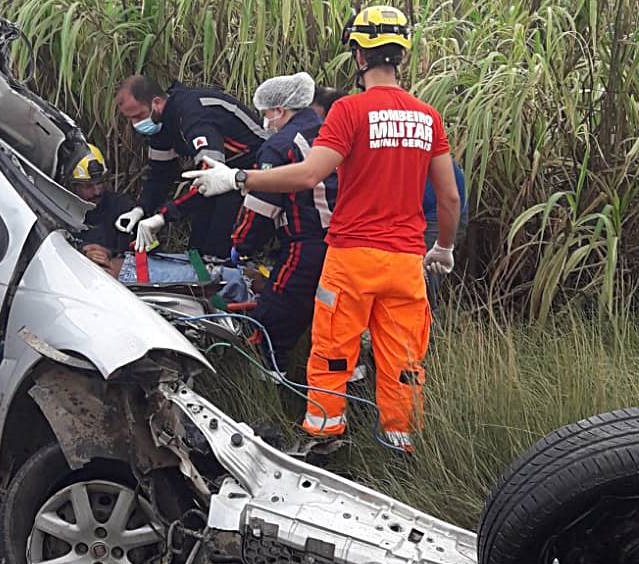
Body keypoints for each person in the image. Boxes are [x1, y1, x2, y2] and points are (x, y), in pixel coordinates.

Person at [183, 5, 461, 453]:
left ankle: (325, 435)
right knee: (403, 358)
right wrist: (443, 248)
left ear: (359, 55)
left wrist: (237, 178)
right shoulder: (427, 116)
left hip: (351, 257)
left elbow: (308, 175)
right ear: (400, 55)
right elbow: (449, 198)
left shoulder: (349, 111)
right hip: (407, 261)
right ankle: (399, 441)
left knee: (333, 349)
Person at [232, 72, 337, 375]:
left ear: (279, 110)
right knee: (335, 324)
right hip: (346, 247)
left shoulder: (280, 146)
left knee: (272, 320)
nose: (266, 121)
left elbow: (260, 209)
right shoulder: (328, 131)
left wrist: (241, 245)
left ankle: (269, 387)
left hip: (307, 245)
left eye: (266, 114)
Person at [114, 75, 267, 259]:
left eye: (138, 116)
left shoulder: (192, 114)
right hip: (225, 174)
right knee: (197, 245)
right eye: (130, 119)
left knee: (216, 246)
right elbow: (160, 174)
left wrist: (163, 216)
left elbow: (209, 174)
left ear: (156, 102)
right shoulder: (162, 124)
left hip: (256, 170)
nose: (136, 124)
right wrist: (141, 209)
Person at [66, 144, 134, 277]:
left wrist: (115, 261)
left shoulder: (124, 208)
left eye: (100, 183)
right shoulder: (59, 214)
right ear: (72, 186)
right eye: (88, 186)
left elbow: (149, 255)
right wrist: (81, 253)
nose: (97, 191)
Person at [423, 160, 468, 314]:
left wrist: (443, 248)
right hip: (414, 208)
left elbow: (451, 199)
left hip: (441, 211)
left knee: (425, 274)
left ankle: (429, 325)